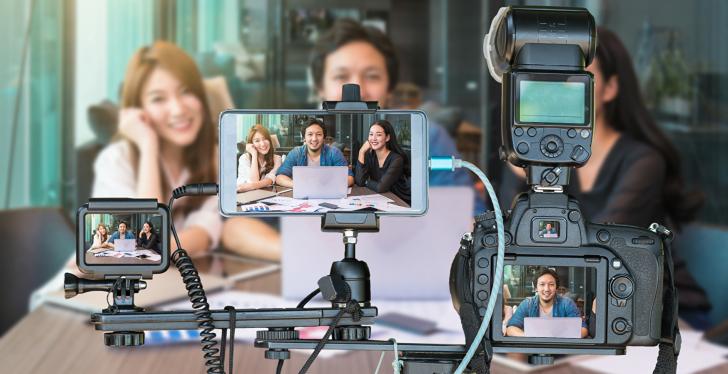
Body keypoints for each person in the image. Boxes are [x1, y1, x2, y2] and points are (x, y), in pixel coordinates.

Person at [498, 28, 711, 329]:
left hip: (659, 311)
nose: (559, 90)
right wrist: (519, 168)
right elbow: (511, 245)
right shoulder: (534, 158)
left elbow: (599, 252)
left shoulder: (643, 161)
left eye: (576, 78)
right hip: (584, 312)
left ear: (610, 88)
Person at [308, 19, 484, 212]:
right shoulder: (330, 150)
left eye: (372, 76)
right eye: (341, 76)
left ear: (389, 89)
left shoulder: (428, 139)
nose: (358, 90)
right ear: (320, 88)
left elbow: (468, 219)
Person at [505, 268, 588, 338]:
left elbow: (583, 329)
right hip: (533, 348)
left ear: (556, 287)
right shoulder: (527, 304)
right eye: (542, 284)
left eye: (551, 284)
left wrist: (560, 338)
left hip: (561, 348)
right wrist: (530, 337)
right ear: (536, 288)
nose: (546, 289)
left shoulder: (567, 304)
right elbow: (511, 328)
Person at [275, 118, 354, 188]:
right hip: (303, 196)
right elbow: (280, 177)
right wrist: (299, 185)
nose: (314, 139)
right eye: (310, 134)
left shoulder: (334, 153)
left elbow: (349, 178)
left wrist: (328, 186)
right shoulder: (296, 153)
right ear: (304, 138)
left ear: (324, 138)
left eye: (319, 134)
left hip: (328, 196)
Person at [355, 120, 411, 204]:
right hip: (383, 199)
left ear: (387, 137)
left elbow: (381, 187)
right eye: (371, 134)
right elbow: (359, 181)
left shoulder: (396, 159)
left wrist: (365, 181)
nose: (373, 138)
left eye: (378, 135)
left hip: (400, 201)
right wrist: (361, 152)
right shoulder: (370, 155)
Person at [237, 124, 282, 192]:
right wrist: (254, 154)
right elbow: (254, 180)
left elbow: (270, 179)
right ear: (251, 144)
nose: (263, 144)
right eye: (257, 141)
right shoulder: (244, 158)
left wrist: (251, 186)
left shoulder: (277, 159)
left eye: (265, 139)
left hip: (265, 195)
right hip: (244, 195)